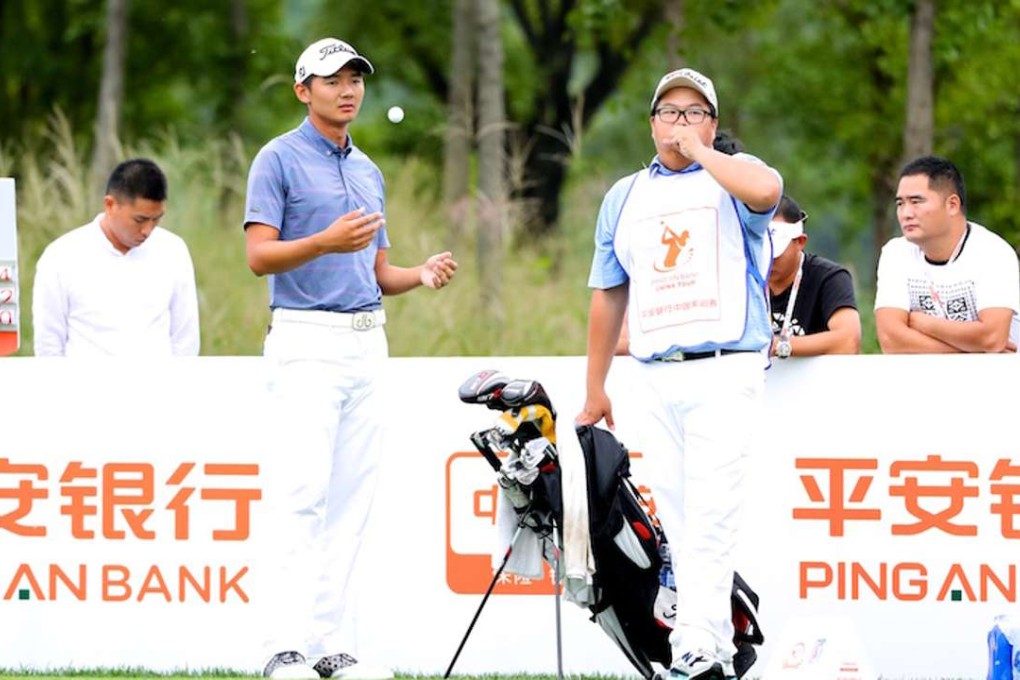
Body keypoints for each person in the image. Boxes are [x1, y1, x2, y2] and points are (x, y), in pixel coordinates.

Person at [243, 38, 457, 680]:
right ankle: (282, 650)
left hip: (368, 340)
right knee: (301, 496)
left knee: (350, 502)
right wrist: (324, 241)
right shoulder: (276, 159)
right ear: (302, 90)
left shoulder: (367, 170)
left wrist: (419, 273)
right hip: (306, 339)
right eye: (332, 79)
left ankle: (330, 648)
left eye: (356, 78)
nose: (349, 89)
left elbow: (377, 270)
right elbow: (260, 257)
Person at [576, 68, 782, 680]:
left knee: (713, 511)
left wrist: (702, 154)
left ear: (714, 125)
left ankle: (693, 645)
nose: (681, 123)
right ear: (651, 123)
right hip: (657, 372)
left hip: (725, 367)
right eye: (670, 113)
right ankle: (709, 651)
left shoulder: (731, 184)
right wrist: (595, 385)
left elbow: (769, 189)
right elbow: (608, 293)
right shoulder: (625, 196)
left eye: (695, 113)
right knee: (680, 515)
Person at [32, 158, 199, 357]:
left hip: (157, 386)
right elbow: (49, 344)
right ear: (110, 205)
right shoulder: (61, 257)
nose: (148, 230)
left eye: (156, 219)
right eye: (140, 220)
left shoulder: (173, 251)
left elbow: (185, 339)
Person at [875, 155, 1020, 353]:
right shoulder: (895, 253)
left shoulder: (993, 253)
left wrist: (921, 322)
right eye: (900, 203)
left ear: (952, 205)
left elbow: (992, 338)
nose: (906, 213)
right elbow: (891, 341)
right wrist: (971, 352)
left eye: (916, 201)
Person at [768, 194, 861, 357]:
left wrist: (781, 346)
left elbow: (849, 341)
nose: (768, 261)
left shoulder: (829, 278)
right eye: (761, 252)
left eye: (776, 253)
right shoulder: (743, 279)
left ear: (800, 242)